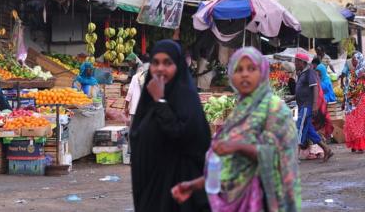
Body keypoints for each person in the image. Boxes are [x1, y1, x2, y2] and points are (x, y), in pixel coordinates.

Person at [171, 47, 300, 211]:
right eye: (238, 69)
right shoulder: (238, 114)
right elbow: (228, 167)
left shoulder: (275, 110)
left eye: (251, 68)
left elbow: (278, 156)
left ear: (262, 72)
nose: (244, 74)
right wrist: (193, 185)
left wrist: (237, 147)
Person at [130, 39, 211, 212]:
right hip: (151, 188)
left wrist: (160, 101)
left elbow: (183, 136)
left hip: (178, 191)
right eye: (155, 63)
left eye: (167, 63)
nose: (160, 69)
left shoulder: (186, 97)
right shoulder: (148, 98)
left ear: (179, 66)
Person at [295, 53, 333, 161]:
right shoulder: (302, 74)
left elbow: (315, 88)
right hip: (303, 105)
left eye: (296, 61)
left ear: (302, 62)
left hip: (306, 106)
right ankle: (327, 149)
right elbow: (301, 90)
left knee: (300, 128)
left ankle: (294, 156)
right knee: (309, 131)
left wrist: (315, 105)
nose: (295, 64)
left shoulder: (309, 72)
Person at [344, 52, 365, 153]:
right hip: (351, 103)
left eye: (354, 59)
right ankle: (354, 144)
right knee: (350, 123)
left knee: (359, 124)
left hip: (360, 102)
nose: (352, 61)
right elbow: (347, 88)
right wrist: (345, 100)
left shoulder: (363, 72)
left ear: (359, 60)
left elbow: (361, 88)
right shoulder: (352, 72)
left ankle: (360, 146)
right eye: (352, 59)